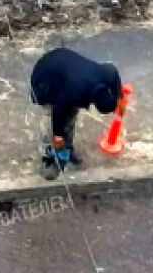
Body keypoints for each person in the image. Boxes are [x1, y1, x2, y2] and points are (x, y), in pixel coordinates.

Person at [29, 47, 123, 180]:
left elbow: (113, 71)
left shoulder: (105, 76)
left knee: (71, 116)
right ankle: (48, 155)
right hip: (45, 77)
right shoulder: (75, 91)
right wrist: (57, 137)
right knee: (49, 120)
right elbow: (58, 110)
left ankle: (67, 148)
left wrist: (120, 97)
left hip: (67, 70)